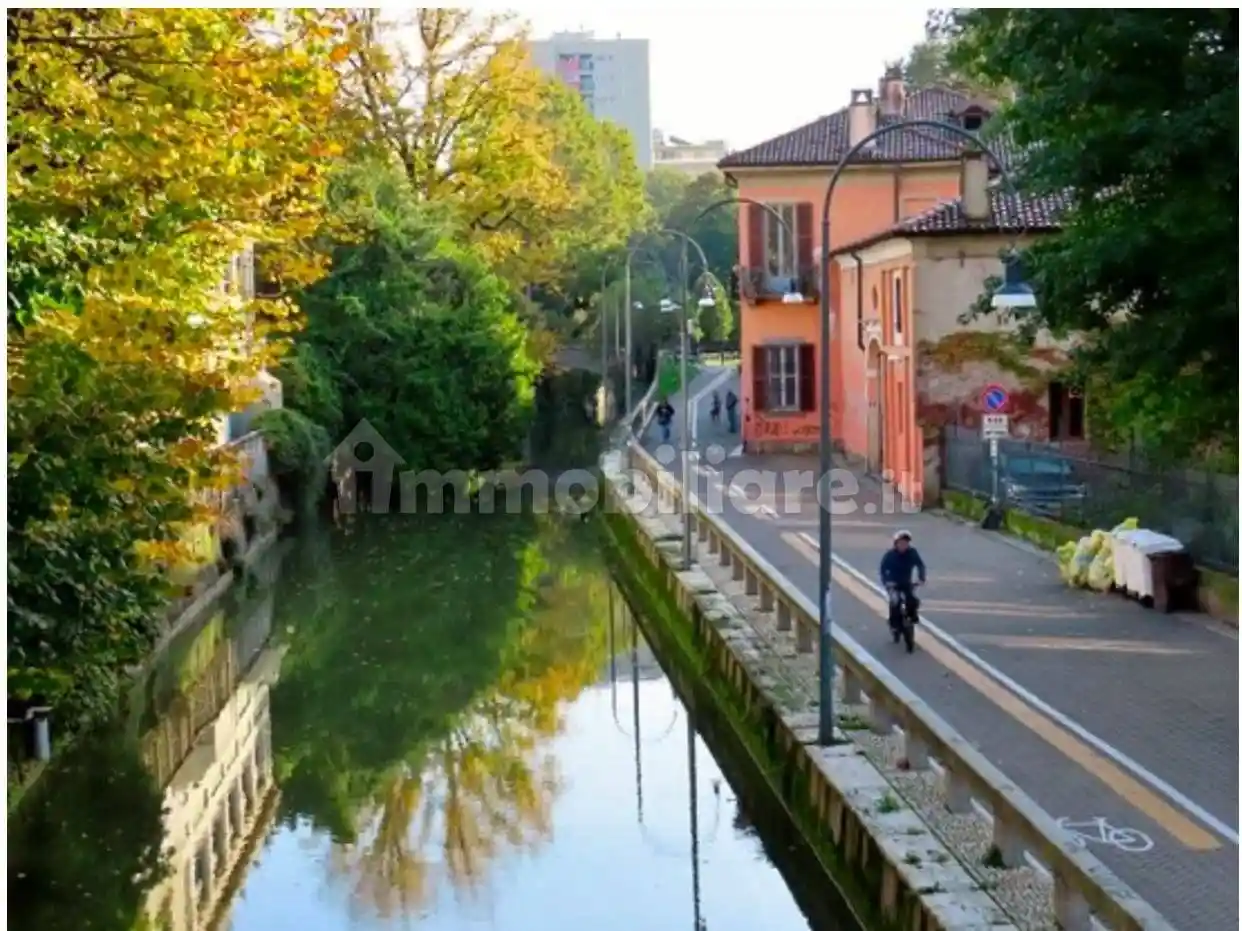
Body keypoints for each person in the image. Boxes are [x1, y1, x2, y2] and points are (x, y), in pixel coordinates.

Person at [879, 529, 926, 632]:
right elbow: (883, 570)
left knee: (912, 601)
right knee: (895, 601)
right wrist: (887, 582)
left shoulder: (912, 553)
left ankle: (912, 617)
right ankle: (894, 624)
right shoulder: (890, 555)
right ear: (896, 544)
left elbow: (920, 565)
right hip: (893, 583)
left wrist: (921, 578)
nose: (903, 545)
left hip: (906, 583)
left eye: (906, 543)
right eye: (901, 543)